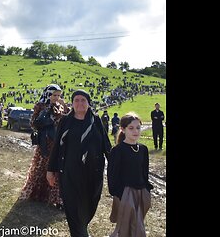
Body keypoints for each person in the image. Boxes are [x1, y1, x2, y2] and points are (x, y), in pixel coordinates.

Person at [47, 89, 111, 237]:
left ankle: (82, 228)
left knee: (89, 205)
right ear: (72, 103)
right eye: (77, 100)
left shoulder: (96, 121)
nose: (80, 103)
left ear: (88, 103)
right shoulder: (65, 121)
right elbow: (57, 145)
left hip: (92, 173)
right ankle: (80, 232)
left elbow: (106, 145)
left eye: (83, 100)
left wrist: (116, 163)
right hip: (69, 172)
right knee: (72, 206)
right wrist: (51, 170)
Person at [19, 84, 68, 209]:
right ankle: (38, 194)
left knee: (55, 168)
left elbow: (68, 118)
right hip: (45, 142)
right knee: (42, 167)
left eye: (58, 95)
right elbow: (33, 123)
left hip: (57, 142)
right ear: (48, 94)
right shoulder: (40, 105)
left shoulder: (60, 106)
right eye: (54, 95)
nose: (56, 98)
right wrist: (47, 119)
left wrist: (64, 105)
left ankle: (54, 197)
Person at [107, 112, 154, 237]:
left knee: (138, 223)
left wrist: (147, 189)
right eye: (131, 128)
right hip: (126, 193)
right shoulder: (118, 150)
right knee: (130, 226)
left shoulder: (143, 149)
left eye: (138, 128)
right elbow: (112, 175)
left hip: (141, 192)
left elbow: (144, 172)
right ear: (123, 129)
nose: (135, 131)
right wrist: (119, 193)